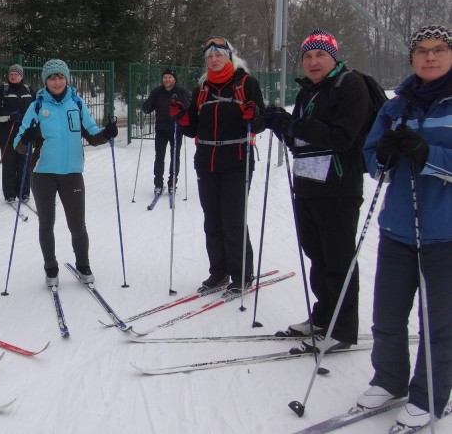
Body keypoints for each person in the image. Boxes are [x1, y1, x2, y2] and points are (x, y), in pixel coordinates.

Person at [356, 24, 452, 431]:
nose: (430, 57)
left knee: (439, 322)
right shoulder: (397, 104)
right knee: (388, 314)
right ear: (411, 58)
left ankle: (429, 395)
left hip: (444, 233)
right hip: (398, 227)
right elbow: (371, 156)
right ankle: (389, 378)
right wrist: (383, 155)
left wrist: (428, 152)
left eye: (439, 50)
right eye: (422, 51)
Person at [262, 29, 370, 355]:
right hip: (308, 185)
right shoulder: (309, 92)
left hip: (338, 187)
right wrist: (281, 124)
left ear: (333, 57)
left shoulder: (350, 85)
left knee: (337, 257)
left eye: (320, 55)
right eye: (307, 56)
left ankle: (343, 328)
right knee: (317, 255)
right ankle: (324, 317)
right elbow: (300, 143)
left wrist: (294, 126)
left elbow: (342, 137)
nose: (312, 61)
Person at [13, 59, 117, 286]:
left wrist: (107, 133)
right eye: (52, 77)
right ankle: (50, 267)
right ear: (45, 81)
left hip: (72, 173)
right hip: (43, 173)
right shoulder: (37, 106)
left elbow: (91, 133)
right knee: (46, 222)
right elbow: (18, 144)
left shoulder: (77, 103)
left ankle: (83, 264)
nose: (57, 81)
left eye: (60, 77)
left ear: (67, 79)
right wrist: (26, 138)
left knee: (77, 224)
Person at [176, 37, 266, 295]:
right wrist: (181, 116)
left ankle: (241, 274)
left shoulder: (246, 83)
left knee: (233, 219)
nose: (214, 60)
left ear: (229, 56)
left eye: (219, 55)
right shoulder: (202, 88)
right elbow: (192, 126)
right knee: (212, 220)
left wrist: (255, 115)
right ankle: (219, 272)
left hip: (237, 160)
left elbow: (260, 121)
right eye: (209, 57)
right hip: (206, 162)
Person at [0, 64, 36, 202]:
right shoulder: (2, 90)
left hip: (25, 135)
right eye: (11, 74)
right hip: (7, 134)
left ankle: (24, 192)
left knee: (24, 165)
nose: (13, 76)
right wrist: (9, 116)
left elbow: (36, 109)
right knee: (9, 165)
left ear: (21, 76)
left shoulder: (28, 90)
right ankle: (9, 194)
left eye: (16, 74)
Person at [141, 68, 191, 195]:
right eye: (165, 77)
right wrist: (146, 107)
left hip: (176, 130)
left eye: (170, 77)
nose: (167, 80)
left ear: (174, 79)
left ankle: (172, 184)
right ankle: (158, 184)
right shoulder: (157, 92)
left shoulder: (181, 92)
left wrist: (182, 110)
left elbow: (189, 108)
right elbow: (149, 106)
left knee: (175, 157)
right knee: (159, 157)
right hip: (161, 130)